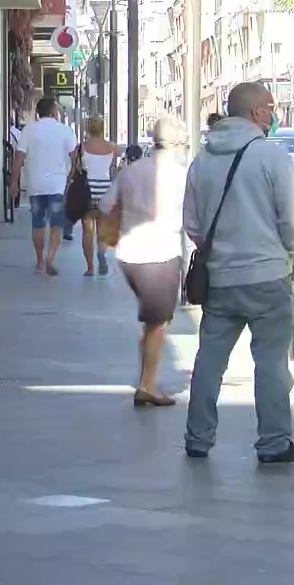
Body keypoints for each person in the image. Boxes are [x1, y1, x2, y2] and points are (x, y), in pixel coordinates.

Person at [182, 81, 294, 464]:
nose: (274, 114)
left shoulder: (202, 160)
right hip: (267, 277)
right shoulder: (271, 156)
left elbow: (192, 223)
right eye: (271, 107)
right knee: (271, 362)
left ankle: (198, 437)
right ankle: (273, 442)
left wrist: (218, 249)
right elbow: (293, 217)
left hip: (221, 279)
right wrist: (287, 254)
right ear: (256, 112)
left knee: (209, 360)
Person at [101, 116, 188, 407]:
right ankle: (147, 384)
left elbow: (104, 205)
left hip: (128, 256)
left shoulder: (131, 170)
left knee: (153, 322)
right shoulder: (181, 173)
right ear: (178, 143)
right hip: (159, 255)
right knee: (156, 323)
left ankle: (146, 376)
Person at [9, 97, 78, 276]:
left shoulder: (29, 131)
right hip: (57, 185)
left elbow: (18, 158)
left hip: (35, 184)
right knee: (56, 225)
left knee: (38, 224)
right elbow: (75, 157)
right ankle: (50, 258)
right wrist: (71, 175)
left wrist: (14, 182)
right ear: (54, 112)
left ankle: (39, 260)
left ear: (38, 112)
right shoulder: (65, 131)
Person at [72, 117, 120, 276]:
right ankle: (102, 253)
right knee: (102, 229)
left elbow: (74, 170)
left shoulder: (81, 148)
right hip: (105, 189)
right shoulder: (112, 147)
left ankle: (90, 267)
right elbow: (115, 166)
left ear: (87, 129)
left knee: (87, 230)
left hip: (87, 190)